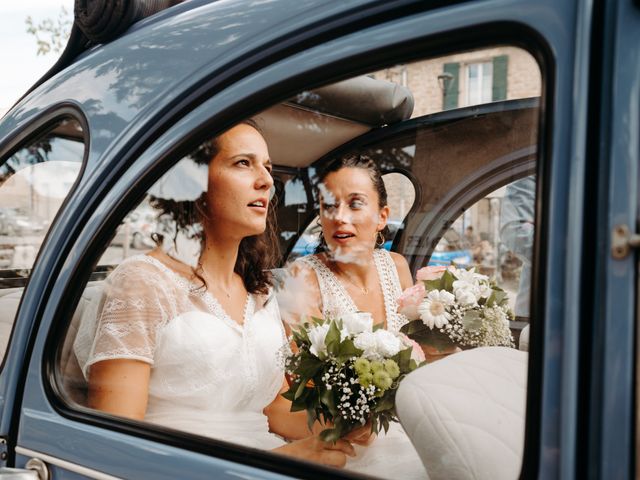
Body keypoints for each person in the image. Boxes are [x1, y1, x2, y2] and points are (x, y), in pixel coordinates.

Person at [73, 121, 361, 468]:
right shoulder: (143, 282)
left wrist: (343, 428)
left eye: (267, 168)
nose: (267, 181)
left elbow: (274, 408)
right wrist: (277, 461)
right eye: (244, 163)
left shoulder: (261, 292)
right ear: (194, 182)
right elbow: (114, 448)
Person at [279, 153, 427, 479]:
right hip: (343, 438)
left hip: (408, 421)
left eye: (355, 203)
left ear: (382, 216)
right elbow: (306, 384)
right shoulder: (300, 278)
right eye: (329, 206)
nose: (340, 217)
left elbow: (420, 353)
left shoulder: (397, 265)